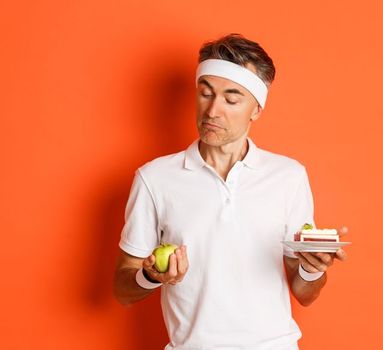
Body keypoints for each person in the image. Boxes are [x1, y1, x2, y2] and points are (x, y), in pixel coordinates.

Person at [112, 33, 347, 349]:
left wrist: (310, 268)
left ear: (256, 109)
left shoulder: (288, 176)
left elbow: (305, 294)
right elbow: (123, 289)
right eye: (205, 94)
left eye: (231, 99)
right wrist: (151, 277)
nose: (212, 111)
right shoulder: (154, 178)